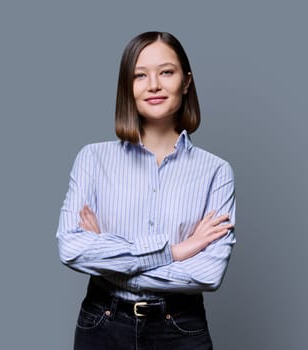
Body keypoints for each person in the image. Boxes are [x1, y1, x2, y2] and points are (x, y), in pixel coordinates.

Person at [56, 31, 236, 349]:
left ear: (186, 81)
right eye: (140, 75)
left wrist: (107, 254)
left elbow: (208, 273)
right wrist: (175, 251)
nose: (153, 85)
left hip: (180, 329)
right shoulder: (92, 159)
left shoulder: (216, 172)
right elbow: (71, 248)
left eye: (166, 72)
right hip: (103, 324)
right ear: (128, 86)